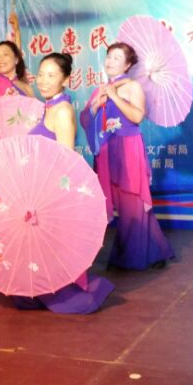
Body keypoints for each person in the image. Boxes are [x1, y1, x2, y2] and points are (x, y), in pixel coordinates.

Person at [11, 53, 115, 314]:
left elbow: (65, 160)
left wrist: (48, 195)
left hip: (52, 191)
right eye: (41, 74)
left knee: (50, 248)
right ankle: (39, 288)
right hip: (40, 186)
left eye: (51, 75)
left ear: (66, 79)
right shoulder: (49, 106)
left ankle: (57, 291)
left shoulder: (62, 111)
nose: (43, 81)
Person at [81, 43, 175, 270]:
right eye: (109, 56)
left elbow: (137, 117)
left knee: (133, 202)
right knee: (121, 204)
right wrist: (95, 105)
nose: (110, 61)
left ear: (128, 64)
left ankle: (129, 256)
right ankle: (154, 251)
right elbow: (85, 120)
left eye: (117, 58)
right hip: (106, 149)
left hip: (128, 147)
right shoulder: (101, 89)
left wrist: (115, 96)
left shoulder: (132, 86)